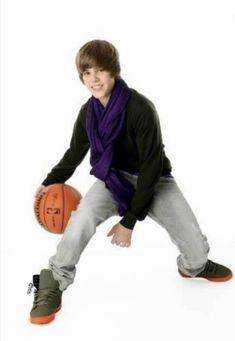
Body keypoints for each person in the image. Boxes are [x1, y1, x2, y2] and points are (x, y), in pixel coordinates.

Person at [28, 39, 233, 324]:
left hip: (155, 179)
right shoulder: (88, 113)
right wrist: (50, 182)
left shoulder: (140, 108)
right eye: (87, 73)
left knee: (197, 254)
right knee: (82, 217)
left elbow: (151, 167)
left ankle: (193, 267)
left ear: (113, 72)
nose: (94, 79)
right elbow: (75, 152)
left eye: (100, 71)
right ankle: (55, 278)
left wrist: (129, 222)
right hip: (112, 178)